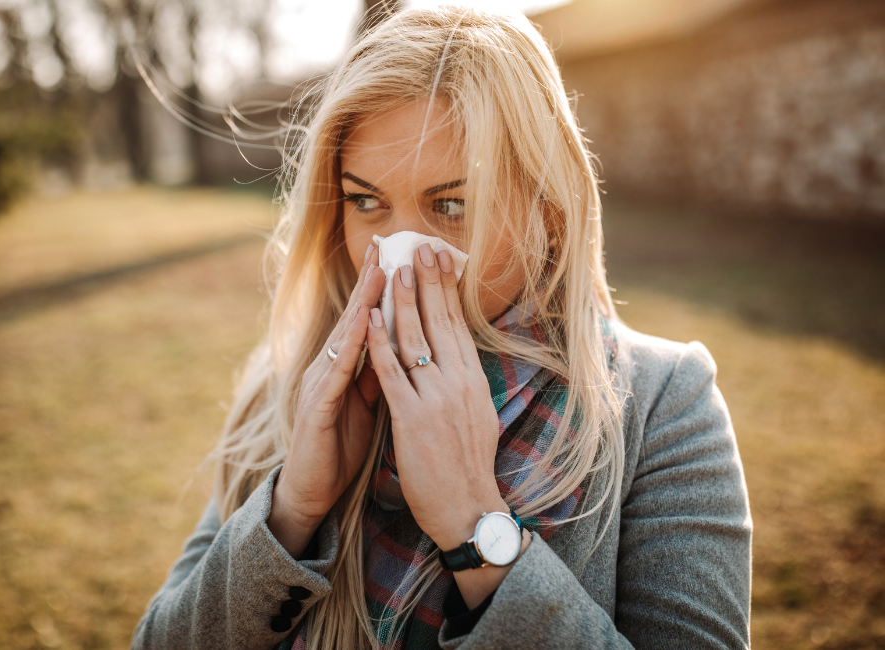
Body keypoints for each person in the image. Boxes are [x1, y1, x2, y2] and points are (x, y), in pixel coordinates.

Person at [131, 7, 751, 650]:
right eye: (366, 201)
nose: (403, 252)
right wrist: (291, 512)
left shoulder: (664, 407)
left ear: (548, 209)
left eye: (451, 205)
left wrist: (473, 522)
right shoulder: (290, 386)